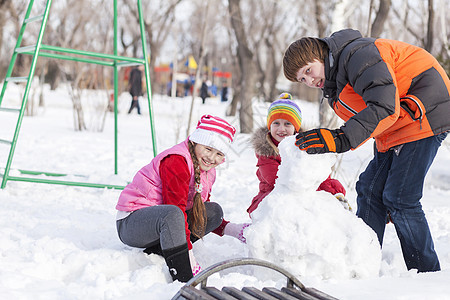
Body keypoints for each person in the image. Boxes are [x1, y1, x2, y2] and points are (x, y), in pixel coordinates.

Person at [283, 28, 450, 273]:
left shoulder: (357, 54)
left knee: (400, 198)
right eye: (302, 79)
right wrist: (336, 138)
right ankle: (364, 266)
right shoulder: (335, 87)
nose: (309, 82)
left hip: (424, 112)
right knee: (369, 189)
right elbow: (371, 118)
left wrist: (340, 138)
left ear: (320, 54)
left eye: (308, 71)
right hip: (396, 127)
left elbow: (383, 106)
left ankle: (426, 274)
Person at [115, 115, 236, 282]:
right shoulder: (177, 160)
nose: (211, 158)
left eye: (218, 154)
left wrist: (233, 230)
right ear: (195, 141)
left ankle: (163, 250)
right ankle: (184, 276)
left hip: (162, 222)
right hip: (132, 223)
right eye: (208, 149)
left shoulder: (207, 170)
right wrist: (189, 257)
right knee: (172, 214)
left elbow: (199, 210)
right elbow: (176, 210)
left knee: (213, 211)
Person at [213, 93, 348, 242]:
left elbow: (320, 176)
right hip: (272, 199)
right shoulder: (266, 152)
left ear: (296, 127)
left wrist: (334, 193)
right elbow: (278, 180)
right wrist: (308, 178)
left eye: (287, 124)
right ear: (269, 126)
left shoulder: (305, 148)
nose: (281, 129)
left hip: (301, 197)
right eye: (276, 123)